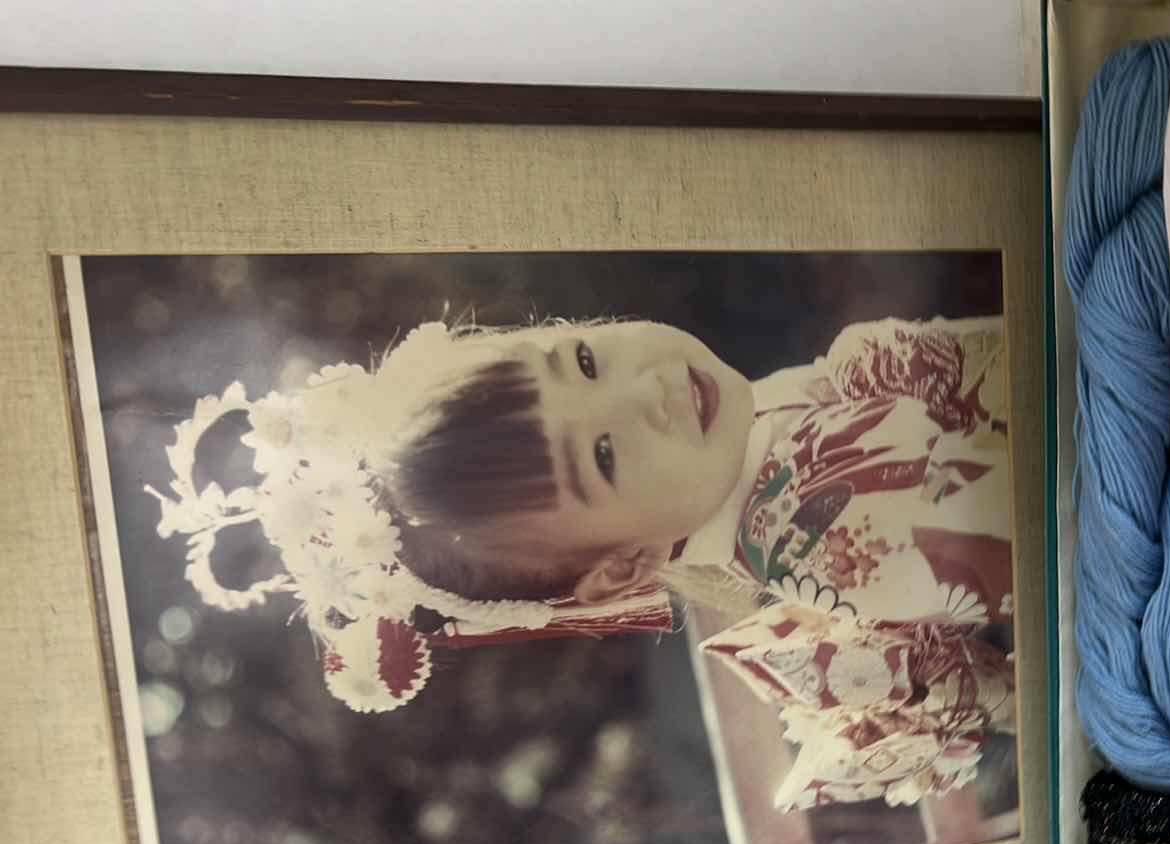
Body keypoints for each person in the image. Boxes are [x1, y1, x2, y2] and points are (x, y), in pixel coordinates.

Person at [147, 313, 1016, 811]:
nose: (646, 392)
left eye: (586, 360)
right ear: (617, 573)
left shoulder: (769, 444)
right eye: (602, 457)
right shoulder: (830, 514)